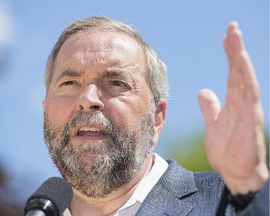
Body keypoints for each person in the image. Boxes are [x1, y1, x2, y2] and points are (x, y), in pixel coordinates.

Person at [42, 16, 269, 216]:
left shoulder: (228, 202)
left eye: (116, 83)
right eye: (70, 83)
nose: (89, 99)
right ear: (46, 109)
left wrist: (250, 187)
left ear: (156, 119)